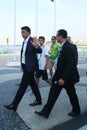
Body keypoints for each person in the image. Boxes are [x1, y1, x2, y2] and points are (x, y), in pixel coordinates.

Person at [35, 29, 81, 118]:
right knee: (53, 93)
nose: (56, 38)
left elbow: (71, 64)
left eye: (57, 36)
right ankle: (45, 112)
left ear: (61, 36)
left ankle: (76, 110)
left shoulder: (70, 47)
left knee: (72, 94)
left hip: (66, 78)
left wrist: (63, 78)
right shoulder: (62, 46)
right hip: (59, 75)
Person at [4, 26, 42, 111]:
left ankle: (14, 105)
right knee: (33, 85)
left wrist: (36, 46)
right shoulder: (24, 41)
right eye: (21, 32)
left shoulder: (32, 40)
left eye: (23, 32)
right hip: (25, 66)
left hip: (30, 68)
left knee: (22, 87)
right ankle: (39, 100)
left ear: (28, 32)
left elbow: (39, 50)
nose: (22, 33)